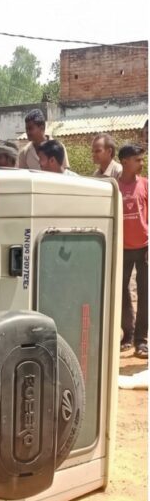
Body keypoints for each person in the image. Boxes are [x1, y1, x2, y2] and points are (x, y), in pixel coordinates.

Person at [116, 145, 148, 358]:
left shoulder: (145, 184)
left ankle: (141, 341)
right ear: (125, 162)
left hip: (144, 248)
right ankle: (127, 335)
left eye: (142, 159)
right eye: (138, 160)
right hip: (122, 249)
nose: (142, 163)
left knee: (145, 294)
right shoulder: (114, 187)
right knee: (121, 293)